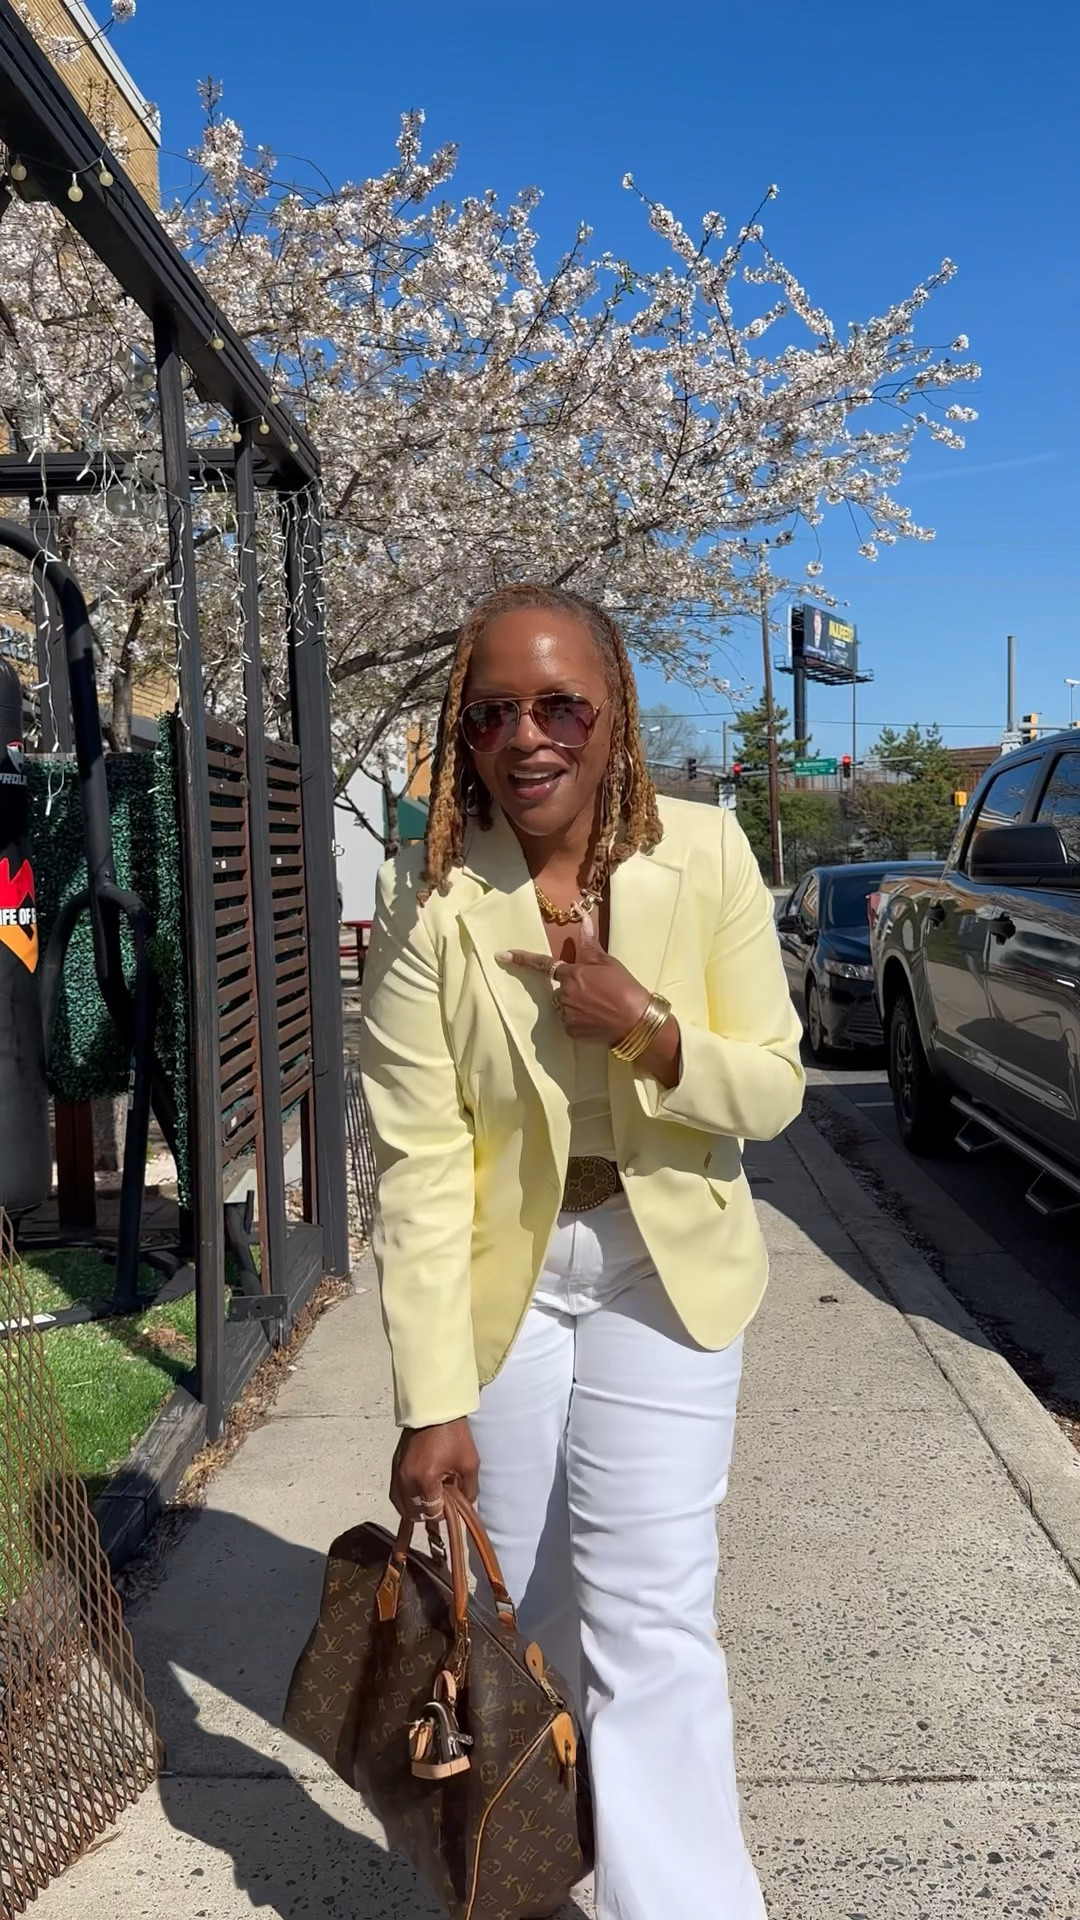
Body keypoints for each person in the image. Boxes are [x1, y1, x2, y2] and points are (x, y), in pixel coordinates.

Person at [360, 583, 804, 1920]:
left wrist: (650, 1030)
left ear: (614, 717)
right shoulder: (429, 895)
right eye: (493, 712)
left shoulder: (709, 855)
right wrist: (431, 1400)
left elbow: (774, 1089)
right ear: (466, 728)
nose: (527, 736)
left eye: (561, 705)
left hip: (658, 1277)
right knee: (532, 1621)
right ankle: (557, 1871)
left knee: (647, 1622)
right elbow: (422, 1163)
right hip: (512, 1284)